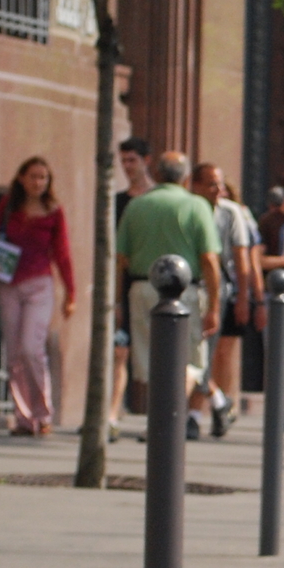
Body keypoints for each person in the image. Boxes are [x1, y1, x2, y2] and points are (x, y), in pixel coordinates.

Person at [112, 151, 223, 435]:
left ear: (157, 174)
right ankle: (170, 416)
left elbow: (120, 259)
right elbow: (209, 259)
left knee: (151, 358)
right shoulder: (196, 206)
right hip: (185, 291)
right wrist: (214, 304)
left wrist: (117, 301)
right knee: (191, 360)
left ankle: (160, 418)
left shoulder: (137, 205)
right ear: (186, 177)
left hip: (141, 288)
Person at [0, 156, 75, 437]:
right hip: (8, 283)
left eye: (43, 178)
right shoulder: (9, 207)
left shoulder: (53, 211)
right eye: (34, 176)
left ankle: (43, 414)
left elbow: (62, 253)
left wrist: (70, 292)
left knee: (31, 349)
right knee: (14, 354)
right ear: (21, 179)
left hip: (39, 284)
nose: (38, 182)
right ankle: (24, 419)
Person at [190, 163, 261, 438]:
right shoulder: (189, 208)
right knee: (195, 355)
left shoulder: (231, 212)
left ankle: (195, 415)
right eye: (211, 184)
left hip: (218, 291)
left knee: (204, 355)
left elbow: (242, 256)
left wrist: (245, 297)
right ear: (193, 185)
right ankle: (219, 402)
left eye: (219, 184)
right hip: (188, 289)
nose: (219, 190)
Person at [109, 136, 154, 419]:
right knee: (120, 351)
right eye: (123, 161)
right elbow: (116, 255)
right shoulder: (117, 202)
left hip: (155, 283)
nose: (127, 166)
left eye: (132, 160)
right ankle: (112, 414)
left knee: (155, 352)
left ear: (146, 161)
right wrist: (115, 299)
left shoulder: (156, 201)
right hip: (125, 285)